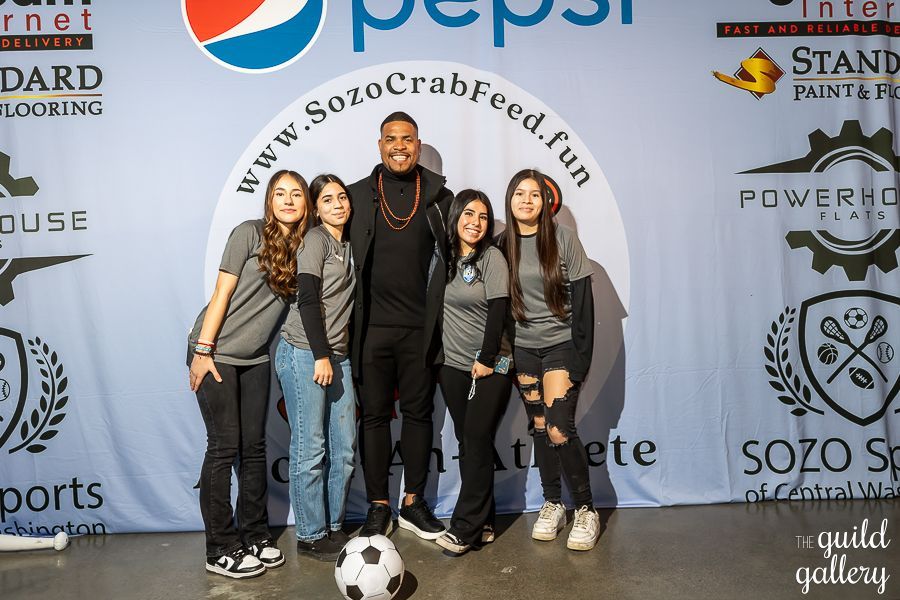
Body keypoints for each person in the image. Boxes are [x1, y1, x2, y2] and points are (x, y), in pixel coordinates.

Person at [188, 170, 312, 578]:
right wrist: (204, 352)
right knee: (224, 448)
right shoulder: (249, 233)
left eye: (297, 194)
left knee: (254, 448)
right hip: (216, 352)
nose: (289, 201)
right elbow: (221, 294)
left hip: (255, 358)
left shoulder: (305, 247)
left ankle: (255, 534)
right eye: (280, 193)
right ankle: (220, 547)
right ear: (269, 200)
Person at [347, 112, 453, 539]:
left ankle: (413, 502)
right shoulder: (354, 196)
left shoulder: (440, 198)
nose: (399, 146)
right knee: (373, 416)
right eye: (391, 138)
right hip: (370, 330)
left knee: (418, 414)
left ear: (418, 144)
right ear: (379, 145)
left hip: (420, 330)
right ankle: (378, 506)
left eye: (407, 139)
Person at [497, 168, 600, 551]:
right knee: (540, 426)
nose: (527, 200)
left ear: (546, 201)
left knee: (559, 426)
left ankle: (586, 509)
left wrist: (581, 360)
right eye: (519, 193)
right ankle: (553, 503)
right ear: (509, 199)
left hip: (560, 346)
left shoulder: (563, 238)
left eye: (535, 194)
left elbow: (585, 303)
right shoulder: (500, 244)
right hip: (523, 349)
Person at [275, 174, 356, 561]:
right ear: (315, 207)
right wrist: (321, 355)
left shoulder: (347, 244)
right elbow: (307, 300)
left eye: (342, 197)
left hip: (337, 354)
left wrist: (333, 354)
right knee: (310, 447)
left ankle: (334, 527)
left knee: (343, 448)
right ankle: (310, 535)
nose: (338, 204)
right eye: (327, 200)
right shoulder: (315, 241)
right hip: (306, 352)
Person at [434, 190, 512, 555]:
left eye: (483, 217)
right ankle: (486, 519)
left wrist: (486, 356)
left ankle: (464, 527)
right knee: (470, 444)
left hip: (491, 365)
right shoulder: (444, 258)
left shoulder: (492, 257)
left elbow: (499, 310)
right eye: (468, 214)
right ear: (455, 217)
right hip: (452, 367)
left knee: (477, 438)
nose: (475, 223)